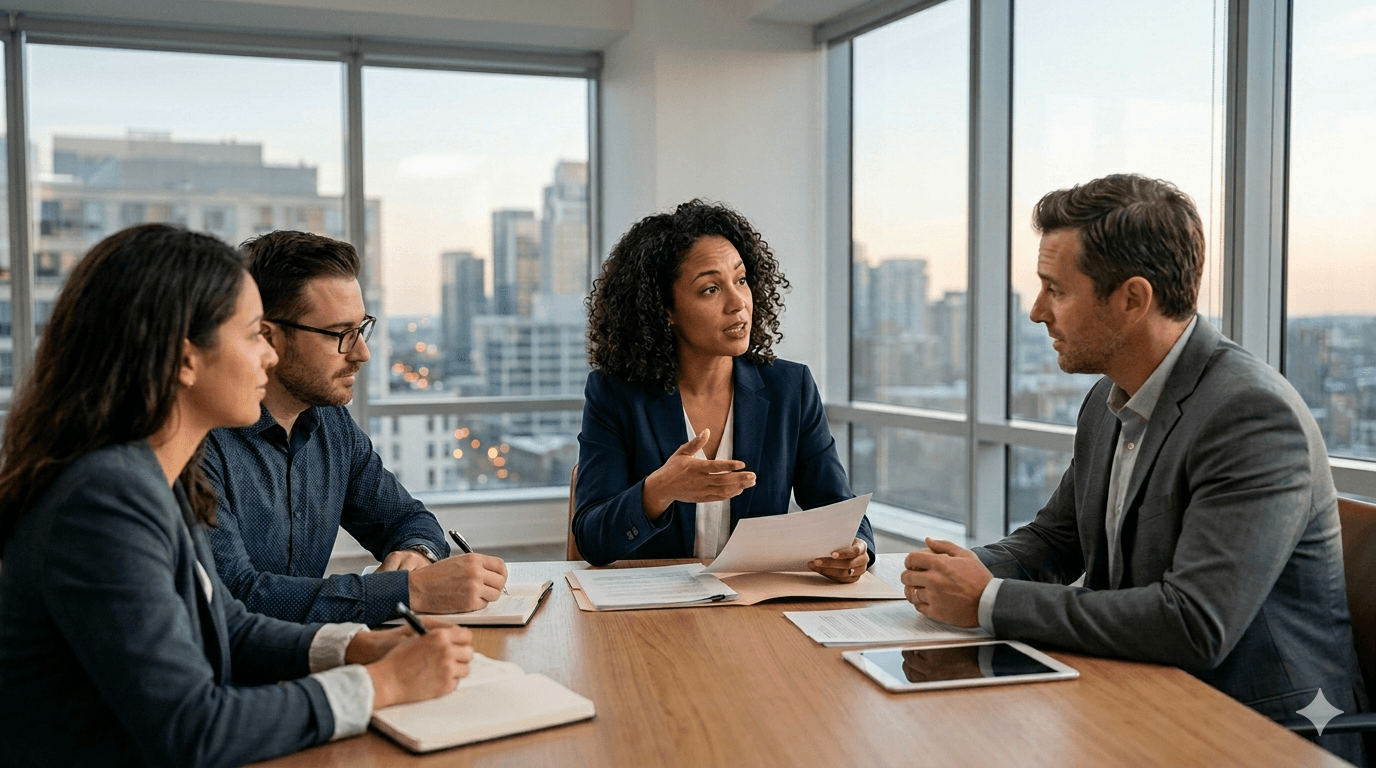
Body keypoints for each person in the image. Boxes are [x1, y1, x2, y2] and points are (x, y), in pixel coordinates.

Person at [900, 174, 1364, 763]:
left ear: (1132, 299)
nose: (1039, 312)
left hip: (1262, 731)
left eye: (1056, 290)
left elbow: (1193, 624)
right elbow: (1056, 538)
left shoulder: (1250, 415)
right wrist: (958, 571)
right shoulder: (1109, 398)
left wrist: (988, 600)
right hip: (1138, 697)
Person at [0, 224, 473, 767]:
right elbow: (193, 728)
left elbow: (226, 623)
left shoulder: (156, 476)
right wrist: (379, 686)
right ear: (184, 360)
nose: (267, 358)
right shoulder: (103, 502)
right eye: (253, 336)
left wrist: (357, 648)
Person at [201, 230, 506, 625]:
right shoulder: (201, 441)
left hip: (305, 659)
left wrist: (418, 555)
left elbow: (409, 520)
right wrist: (412, 590)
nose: (361, 353)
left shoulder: (331, 422)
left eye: (362, 329)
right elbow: (234, 600)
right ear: (269, 337)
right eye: (341, 334)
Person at [574, 199, 875, 577]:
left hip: (755, 610)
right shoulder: (615, 394)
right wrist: (658, 490)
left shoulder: (790, 388)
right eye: (711, 289)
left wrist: (856, 549)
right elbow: (591, 538)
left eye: (742, 280)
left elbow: (838, 508)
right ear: (664, 309)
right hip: (654, 617)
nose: (738, 304)